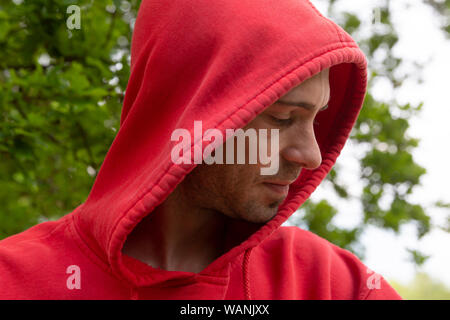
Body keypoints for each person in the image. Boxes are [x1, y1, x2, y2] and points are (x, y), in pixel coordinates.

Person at [0, 0, 402, 299]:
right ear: (191, 113)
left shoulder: (332, 287)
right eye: (282, 118)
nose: (312, 155)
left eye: (316, 118)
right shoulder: (14, 281)